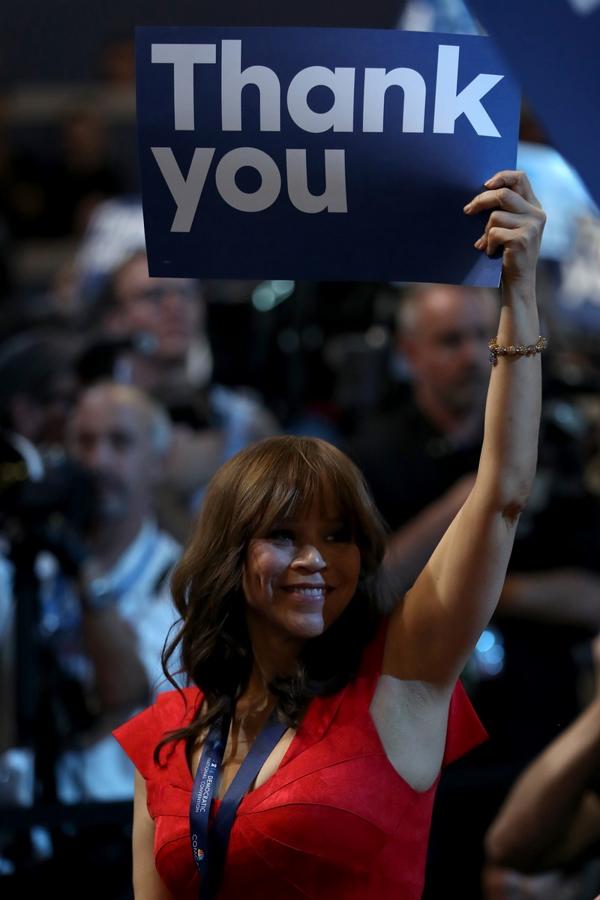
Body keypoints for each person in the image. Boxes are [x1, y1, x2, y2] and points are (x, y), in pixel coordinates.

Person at [113, 169, 546, 899]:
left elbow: (501, 495)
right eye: (283, 535)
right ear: (231, 554)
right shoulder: (169, 732)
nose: (315, 560)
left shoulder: (401, 681)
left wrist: (520, 297)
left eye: (340, 535)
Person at [0, 382, 181, 805]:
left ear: (158, 462)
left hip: (117, 827)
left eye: (119, 443)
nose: (98, 461)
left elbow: (123, 691)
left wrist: (82, 566)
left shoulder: (182, 579)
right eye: (84, 442)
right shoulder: (34, 563)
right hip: (24, 818)